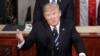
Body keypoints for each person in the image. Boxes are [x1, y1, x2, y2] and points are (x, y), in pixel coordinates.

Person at [16, 3, 86, 56]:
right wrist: (21, 40)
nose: (52, 17)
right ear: (44, 16)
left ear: (60, 13)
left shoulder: (69, 25)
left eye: (54, 13)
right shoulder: (38, 27)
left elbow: (77, 41)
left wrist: (82, 53)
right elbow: (26, 46)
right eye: (48, 15)